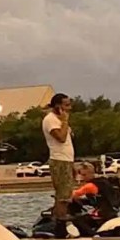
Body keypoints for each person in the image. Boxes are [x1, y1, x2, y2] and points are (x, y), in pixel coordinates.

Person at [42, 93, 78, 232]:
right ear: (58, 106)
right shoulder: (50, 120)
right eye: (66, 105)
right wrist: (64, 121)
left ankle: (61, 223)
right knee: (62, 196)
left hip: (67, 160)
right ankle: (59, 225)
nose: (69, 108)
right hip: (59, 160)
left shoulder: (59, 120)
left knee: (67, 194)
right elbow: (61, 138)